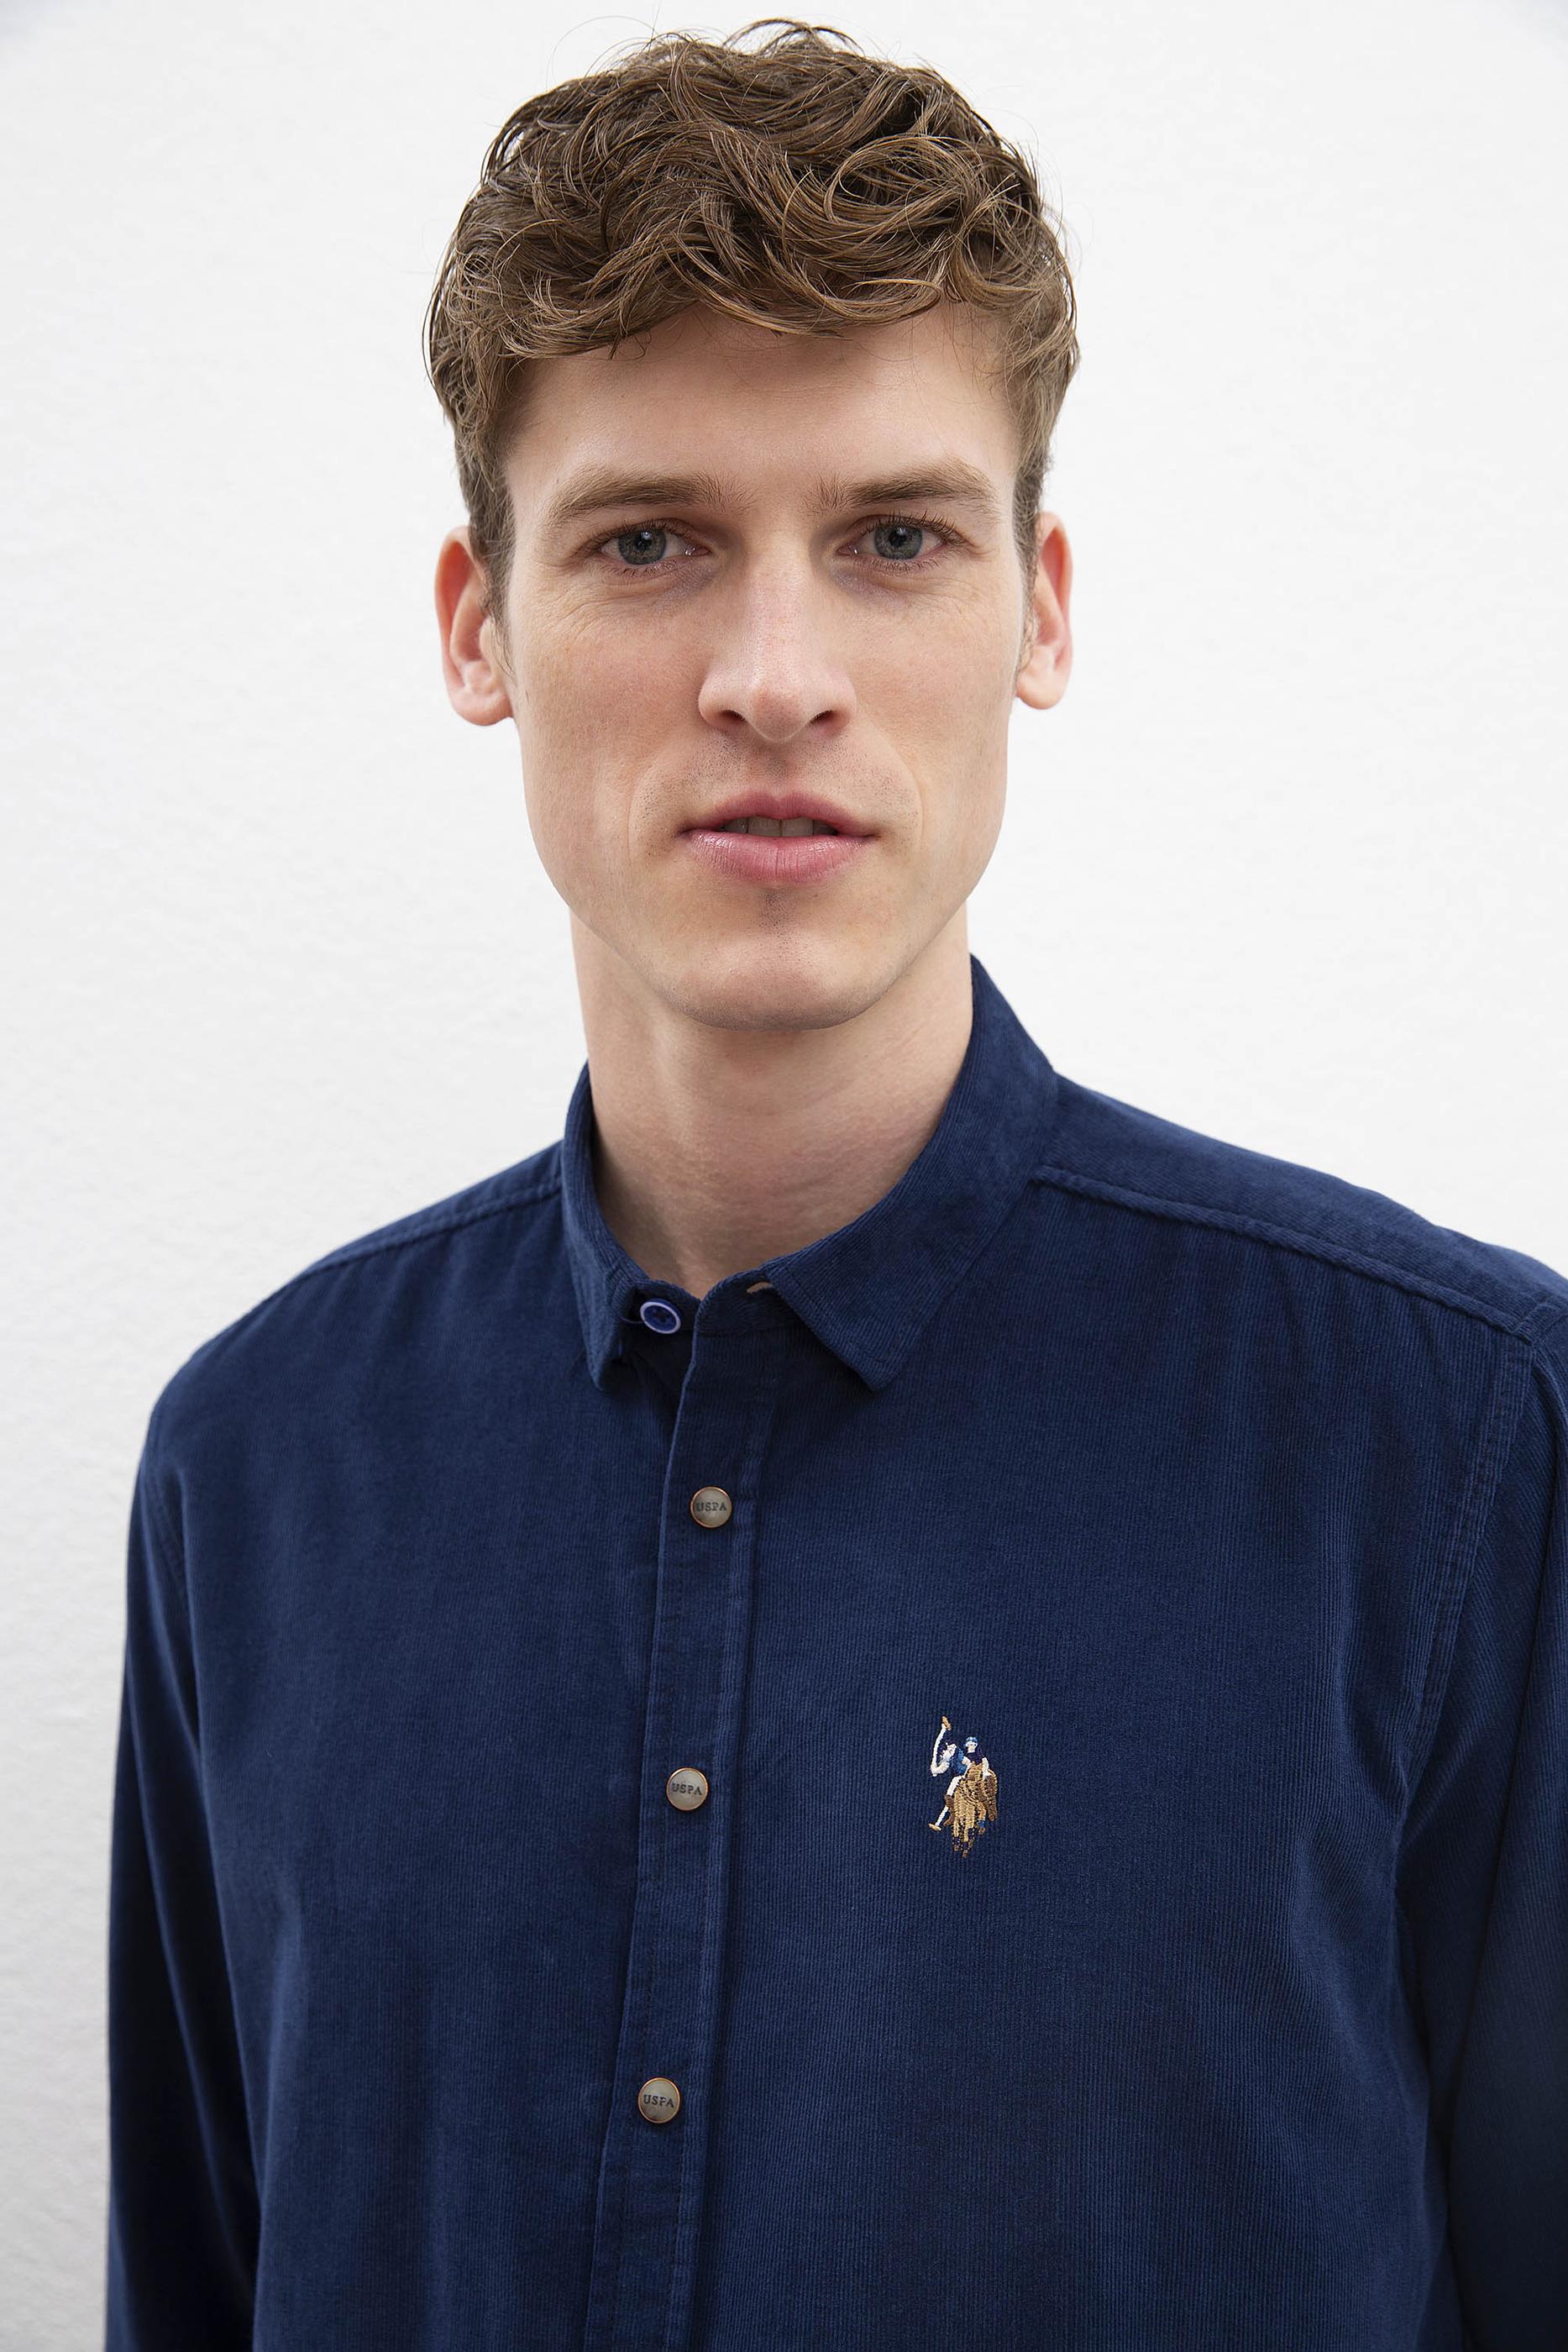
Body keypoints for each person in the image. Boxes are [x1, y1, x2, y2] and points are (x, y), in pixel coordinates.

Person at [105, 18, 1568, 2350]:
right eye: (649, 542)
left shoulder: (1460, 1445)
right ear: (480, 625)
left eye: (893, 539)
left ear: (1039, 609)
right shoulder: (254, 1470)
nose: (774, 678)